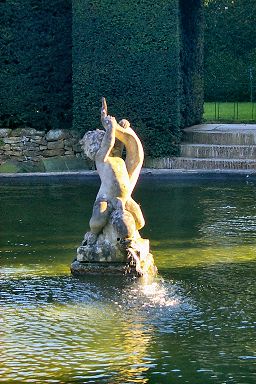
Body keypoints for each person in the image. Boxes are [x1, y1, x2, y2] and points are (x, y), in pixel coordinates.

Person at [79, 98, 145, 242]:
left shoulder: (118, 159)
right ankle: (94, 234)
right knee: (98, 220)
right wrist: (109, 126)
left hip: (124, 199)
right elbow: (108, 143)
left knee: (140, 222)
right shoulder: (101, 158)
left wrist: (122, 126)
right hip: (106, 199)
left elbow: (128, 145)